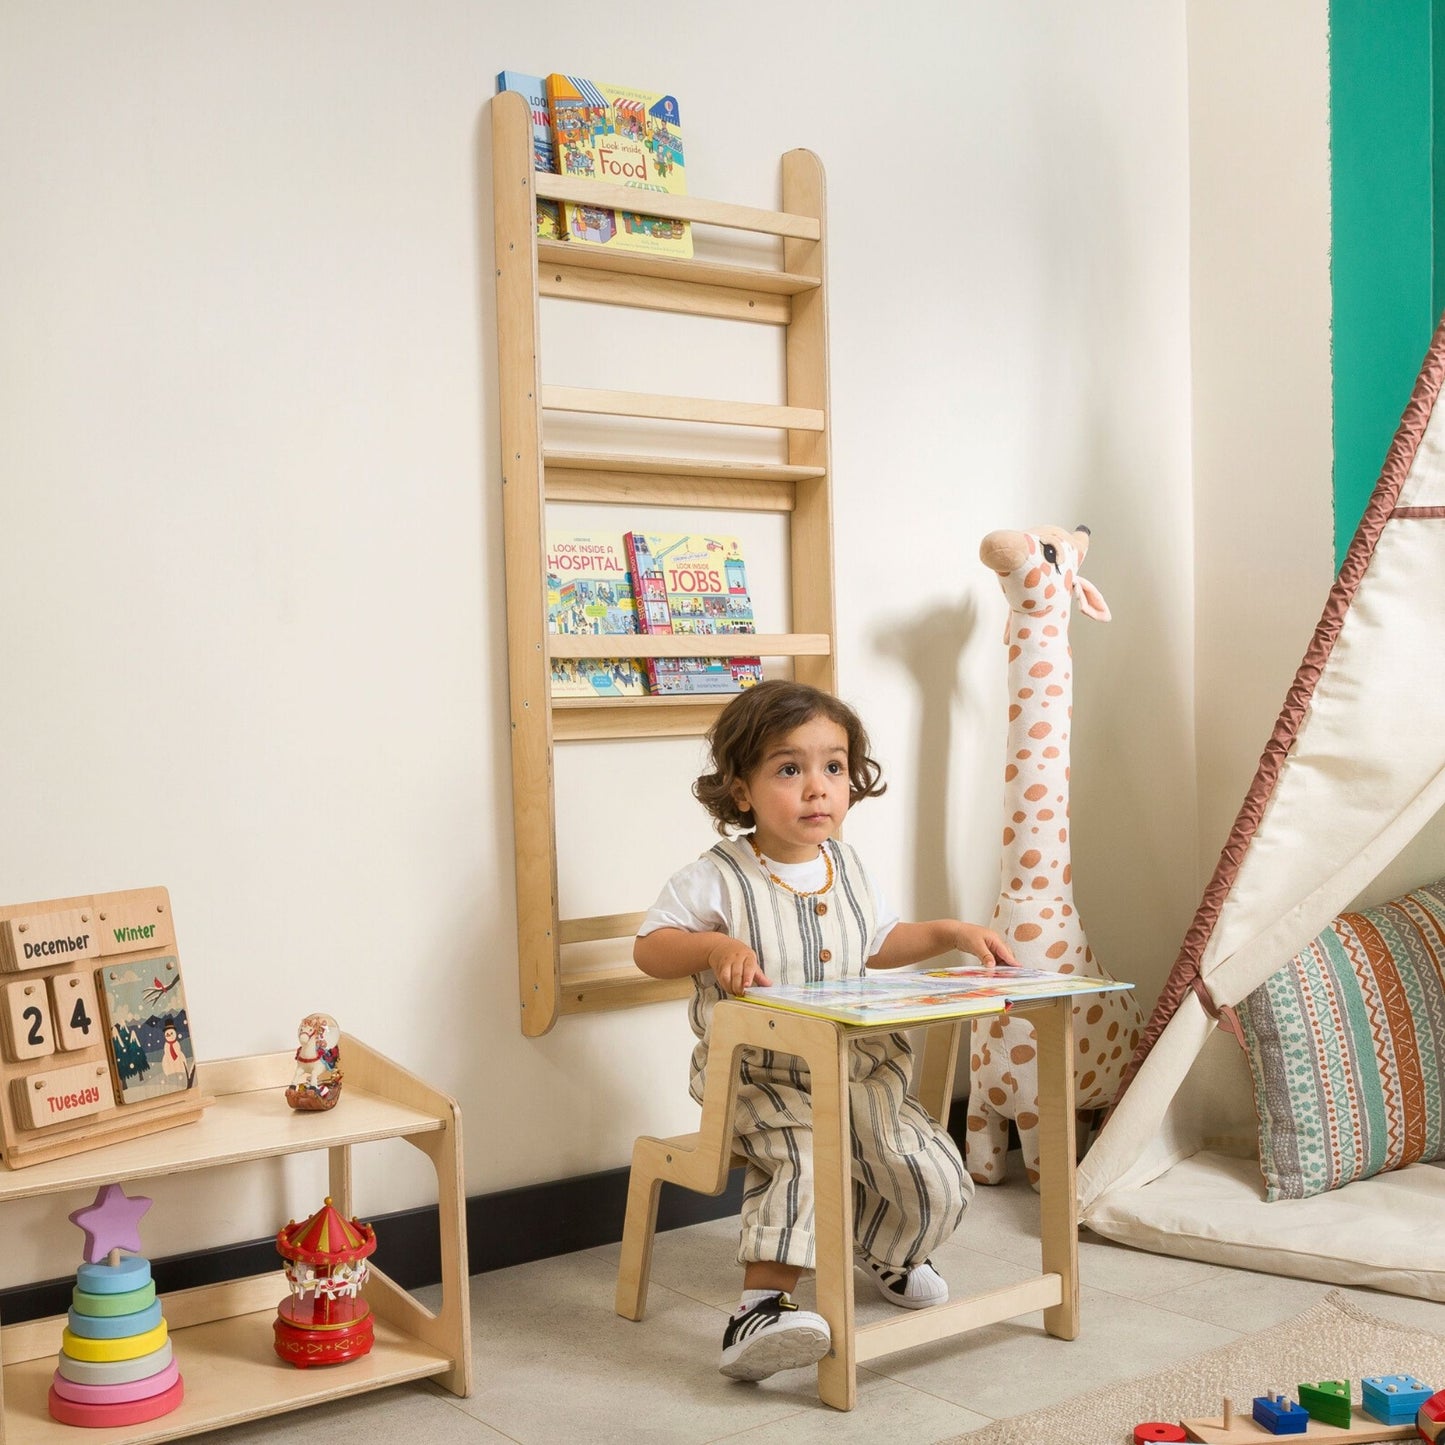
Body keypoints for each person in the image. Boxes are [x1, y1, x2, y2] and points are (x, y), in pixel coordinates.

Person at [634, 679, 1014, 1382]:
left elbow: (879, 940)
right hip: (759, 1077)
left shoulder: (849, 868)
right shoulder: (718, 878)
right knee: (807, 1154)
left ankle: (890, 1248)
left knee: (934, 1169)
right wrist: (713, 949)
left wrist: (949, 932)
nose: (817, 788)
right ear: (741, 790)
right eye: (789, 768)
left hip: (861, 1069)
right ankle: (761, 1308)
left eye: (832, 767)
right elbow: (650, 946)